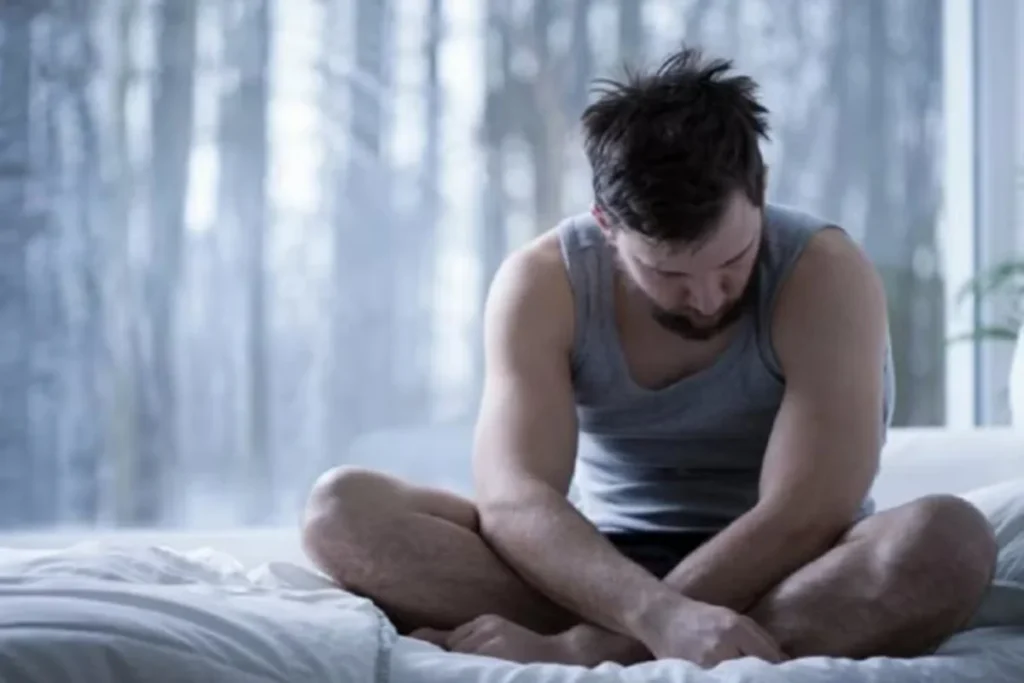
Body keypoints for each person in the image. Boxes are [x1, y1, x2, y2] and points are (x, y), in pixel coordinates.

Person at [301, 47, 997, 668]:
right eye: (667, 273)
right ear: (607, 225)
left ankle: (612, 649)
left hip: (786, 568)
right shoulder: (543, 282)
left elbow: (806, 512)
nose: (706, 297)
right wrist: (657, 614)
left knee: (950, 541)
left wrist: (592, 647)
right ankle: (685, 641)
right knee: (341, 510)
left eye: (731, 260)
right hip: (597, 568)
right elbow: (514, 498)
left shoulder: (825, 272)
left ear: (759, 190)